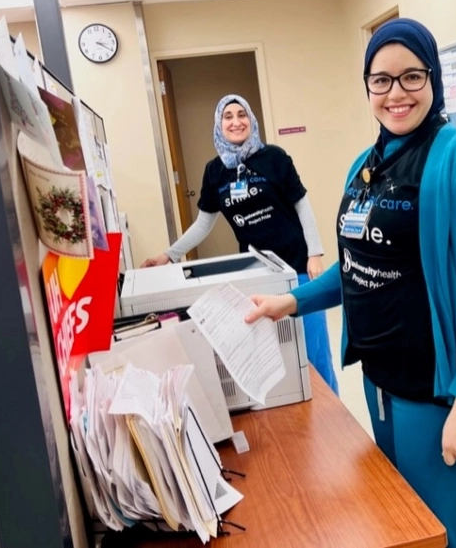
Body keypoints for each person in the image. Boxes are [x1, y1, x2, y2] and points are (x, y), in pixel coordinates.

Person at [244, 19, 456, 548]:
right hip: (382, 383)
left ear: (432, 78)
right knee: (404, 528)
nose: (396, 93)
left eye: (412, 76)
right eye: (381, 80)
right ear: (367, 86)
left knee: (447, 535)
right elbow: (355, 267)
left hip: (442, 396)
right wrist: (290, 302)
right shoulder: (364, 167)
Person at [142, 94, 338, 394]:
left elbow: (302, 205)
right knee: (275, 355)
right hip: (257, 273)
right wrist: (169, 256)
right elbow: (204, 223)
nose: (236, 122)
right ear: (219, 125)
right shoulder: (214, 171)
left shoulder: (274, 157)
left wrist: (314, 253)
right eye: (228, 116)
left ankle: (330, 411)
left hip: (296, 265)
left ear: (251, 120)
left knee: (314, 351)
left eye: (241, 114)